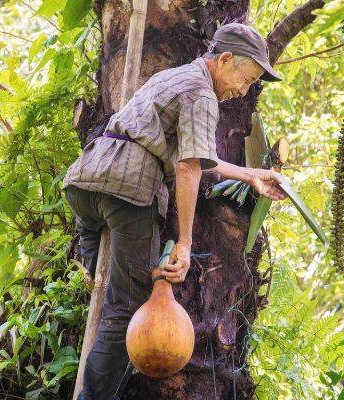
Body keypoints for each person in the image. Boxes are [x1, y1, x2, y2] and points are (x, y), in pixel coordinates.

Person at [62, 22, 286, 400]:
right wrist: (184, 242)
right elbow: (188, 168)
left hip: (86, 183)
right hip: (128, 191)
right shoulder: (202, 94)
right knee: (124, 310)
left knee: (109, 290)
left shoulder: (178, 77)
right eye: (244, 80)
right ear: (226, 59)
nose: (241, 91)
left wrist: (250, 175)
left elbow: (197, 155)